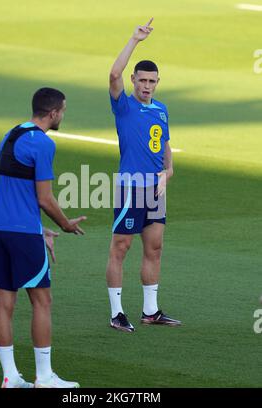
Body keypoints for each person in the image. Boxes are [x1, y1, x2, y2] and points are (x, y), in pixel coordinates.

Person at [0, 87, 86, 387]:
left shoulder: (10, 135)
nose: (63, 115)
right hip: (23, 236)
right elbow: (44, 198)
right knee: (42, 301)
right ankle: (44, 377)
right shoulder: (42, 144)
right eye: (63, 111)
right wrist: (65, 224)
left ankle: (10, 377)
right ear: (53, 113)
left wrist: (39, 227)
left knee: (4, 304)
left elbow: (13, 189)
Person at [106, 18, 181, 332]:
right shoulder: (123, 106)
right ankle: (116, 313)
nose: (146, 86)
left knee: (154, 247)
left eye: (152, 81)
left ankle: (150, 311)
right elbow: (113, 74)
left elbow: (164, 142)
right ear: (133, 80)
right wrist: (134, 40)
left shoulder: (161, 109)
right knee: (121, 247)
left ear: (157, 82)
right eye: (142, 80)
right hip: (130, 187)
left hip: (155, 189)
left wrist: (169, 167)